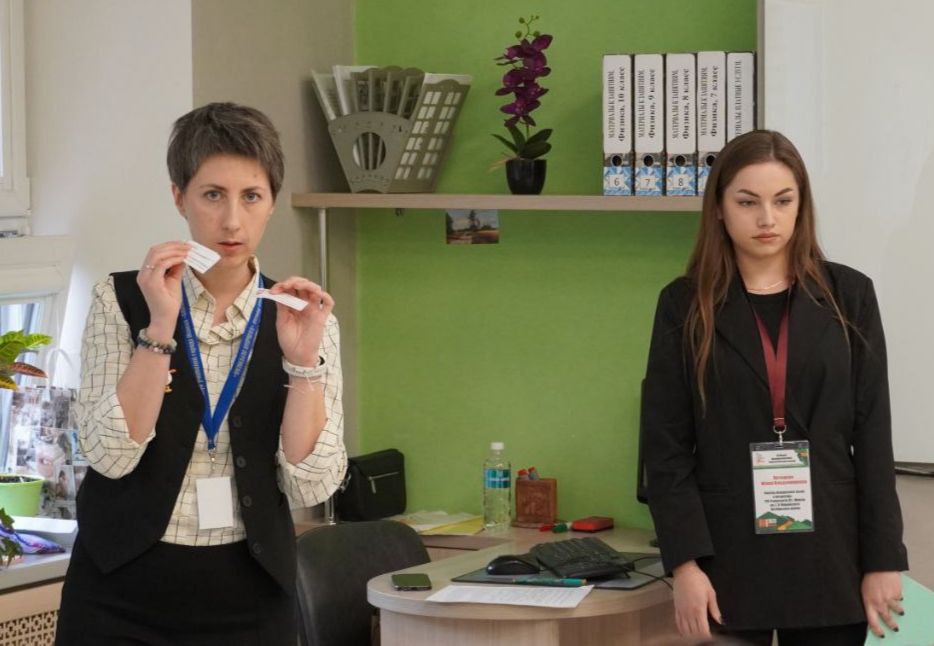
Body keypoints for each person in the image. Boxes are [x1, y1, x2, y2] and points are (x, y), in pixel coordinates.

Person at [55, 102, 347, 645]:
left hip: (251, 593)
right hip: (118, 591)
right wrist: (159, 328)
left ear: (272, 203)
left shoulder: (304, 317)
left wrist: (303, 364)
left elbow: (313, 483)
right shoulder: (120, 300)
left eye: (251, 196)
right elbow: (110, 457)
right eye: (213, 195)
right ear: (179, 197)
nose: (232, 221)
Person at [643, 130, 908, 645]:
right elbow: (666, 447)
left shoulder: (850, 295)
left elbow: (874, 437)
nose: (767, 218)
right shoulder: (684, 304)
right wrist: (684, 565)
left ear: (801, 206)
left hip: (833, 556)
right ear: (719, 209)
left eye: (783, 201)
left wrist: (883, 561)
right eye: (748, 202)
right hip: (726, 560)